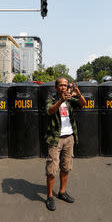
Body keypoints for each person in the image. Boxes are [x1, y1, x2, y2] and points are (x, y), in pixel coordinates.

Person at [44, 77, 86, 211]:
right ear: (56, 87)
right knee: (52, 169)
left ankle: (62, 192)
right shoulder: (51, 98)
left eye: (66, 85)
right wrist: (60, 100)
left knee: (66, 167)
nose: (64, 87)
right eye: (61, 85)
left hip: (69, 138)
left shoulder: (69, 99)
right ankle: (49, 196)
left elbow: (83, 103)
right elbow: (49, 111)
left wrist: (78, 93)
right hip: (55, 138)